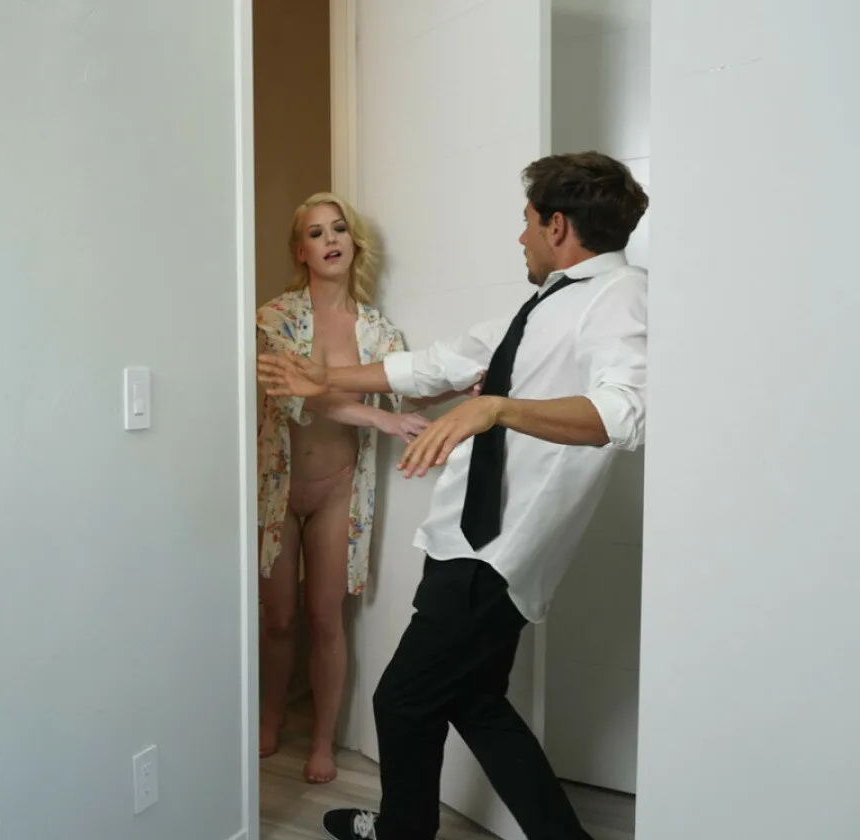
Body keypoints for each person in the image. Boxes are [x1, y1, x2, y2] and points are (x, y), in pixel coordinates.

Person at [258, 152, 648, 839]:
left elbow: (624, 411)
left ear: (558, 226)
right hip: (469, 537)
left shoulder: (618, 295)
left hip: (496, 548)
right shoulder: (546, 303)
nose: (521, 237)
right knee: (476, 701)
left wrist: (497, 408)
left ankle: (402, 832)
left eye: (528, 222)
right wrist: (326, 378)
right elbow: (436, 366)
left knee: (402, 699)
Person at [255, 192, 469, 784]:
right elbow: (297, 393)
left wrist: (464, 388)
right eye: (316, 233)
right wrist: (381, 418)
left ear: (353, 242)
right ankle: (270, 717)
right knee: (278, 619)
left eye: (339, 229)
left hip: (338, 490)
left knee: (326, 619)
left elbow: (406, 389)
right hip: (278, 487)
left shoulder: (377, 331)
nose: (330, 240)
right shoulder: (273, 318)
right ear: (300, 251)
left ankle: (323, 741)